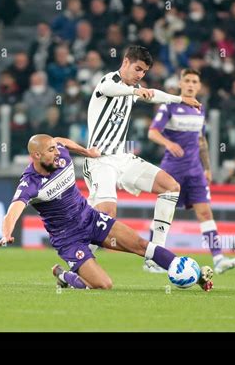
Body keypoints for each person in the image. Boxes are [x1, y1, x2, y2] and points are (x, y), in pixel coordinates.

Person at [0, 134, 213, 291]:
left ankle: (189, 273)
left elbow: (62, 141)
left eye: (56, 148)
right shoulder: (30, 183)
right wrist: (6, 232)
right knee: (103, 285)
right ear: (36, 156)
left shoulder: (61, 155)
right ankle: (65, 275)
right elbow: (13, 211)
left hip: (91, 219)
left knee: (141, 245)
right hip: (69, 240)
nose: (57, 151)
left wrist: (85, 151)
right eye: (50, 150)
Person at [83, 45, 201, 272]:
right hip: (100, 160)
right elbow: (111, 89)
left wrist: (180, 100)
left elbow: (154, 94)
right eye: (137, 69)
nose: (140, 75)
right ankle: (79, 262)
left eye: (144, 72)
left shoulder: (133, 88)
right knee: (106, 215)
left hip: (123, 159)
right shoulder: (108, 81)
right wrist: (135, 91)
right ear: (125, 62)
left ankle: (156, 255)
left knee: (170, 187)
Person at [149, 69, 235, 274]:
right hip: (172, 168)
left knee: (205, 212)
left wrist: (207, 167)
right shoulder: (169, 106)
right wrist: (168, 143)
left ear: (199, 86)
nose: (190, 84)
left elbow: (201, 140)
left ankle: (218, 259)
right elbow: (152, 132)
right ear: (181, 83)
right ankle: (152, 259)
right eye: (187, 80)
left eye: (195, 81)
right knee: (164, 213)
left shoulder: (200, 108)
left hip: (195, 171)